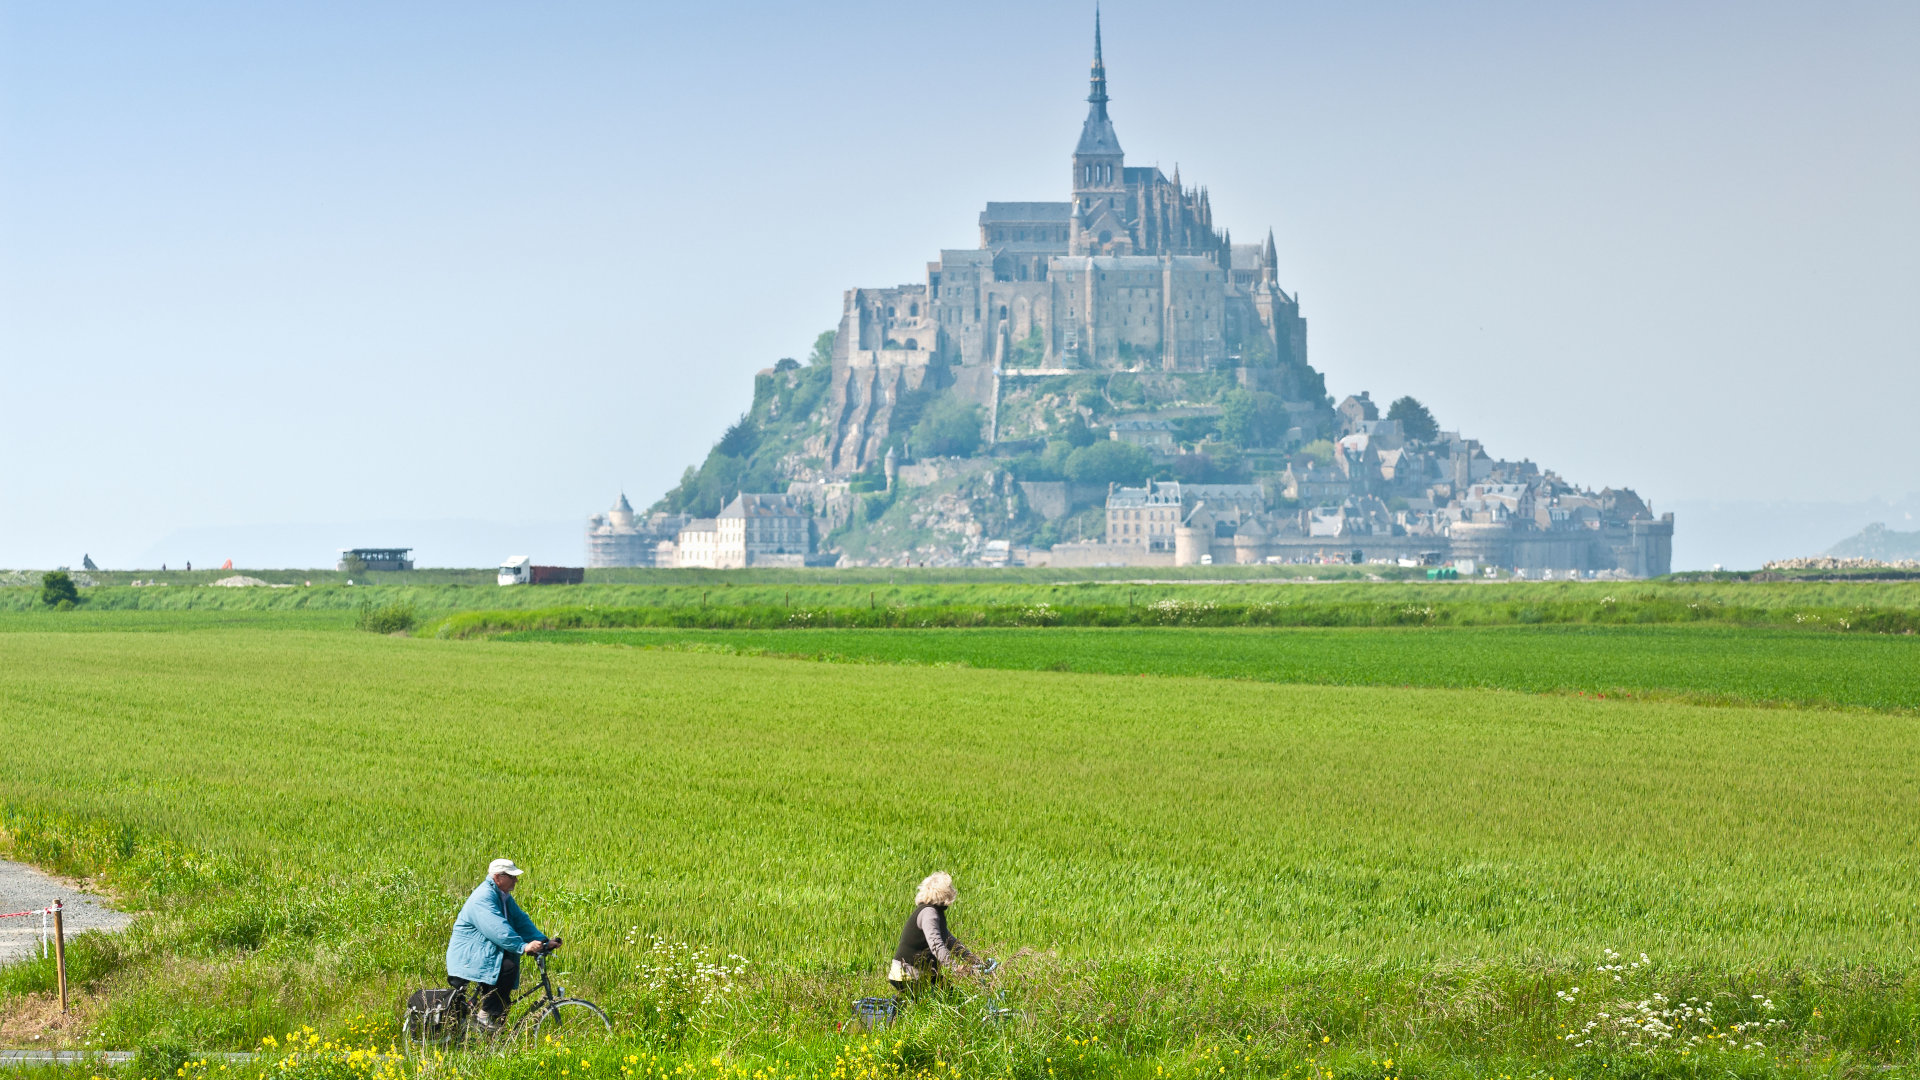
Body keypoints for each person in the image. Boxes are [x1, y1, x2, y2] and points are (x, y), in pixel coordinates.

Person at [446, 858, 551, 1029]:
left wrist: (543, 941)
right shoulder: (483, 897)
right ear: (497, 877)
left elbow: (520, 921)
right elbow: (498, 929)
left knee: (503, 997)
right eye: (512, 876)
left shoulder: (502, 896)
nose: (516, 880)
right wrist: (523, 946)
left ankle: (489, 1034)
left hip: (484, 952)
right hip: (468, 956)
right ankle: (485, 1015)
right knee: (508, 967)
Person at [889, 871, 976, 995]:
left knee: (955, 997)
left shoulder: (934, 912)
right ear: (943, 893)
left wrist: (976, 961)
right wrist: (955, 968)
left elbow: (952, 943)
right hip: (908, 974)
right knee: (949, 1001)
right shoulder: (929, 913)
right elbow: (936, 945)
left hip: (921, 973)